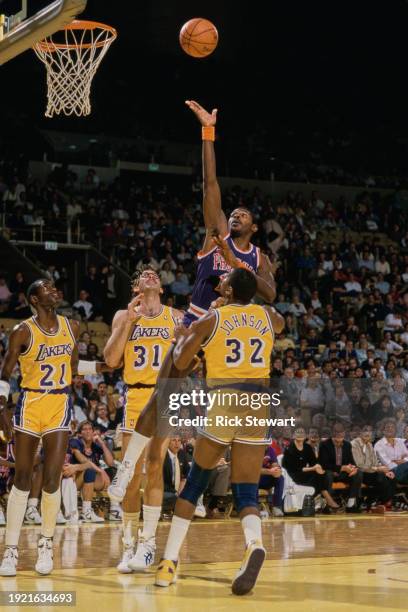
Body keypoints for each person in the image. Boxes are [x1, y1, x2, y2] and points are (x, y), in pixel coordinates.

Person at [108, 100, 277, 508]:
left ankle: (226, 492)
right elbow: (210, 184)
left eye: (242, 215)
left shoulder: (259, 258)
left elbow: (270, 294)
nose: (233, 216)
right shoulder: (211, 238)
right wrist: (208, 132)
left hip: (232, 332)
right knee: (160, 397)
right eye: (231, 214)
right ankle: (127, 467)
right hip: (198, 322)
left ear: (254, 227)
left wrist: (237, 264)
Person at [154, 268, 284, 596]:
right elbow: (277, 318)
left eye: (223, 282)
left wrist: (188, 341)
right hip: (258, 403)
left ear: (226, 290)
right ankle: (253, 542)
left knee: (195, 482)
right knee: (246, 491)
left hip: (226, 399)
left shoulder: (210, 320)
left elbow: (181, 363)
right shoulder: (270, 316)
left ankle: (169, 562)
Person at [0, 279, 107, 576]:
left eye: (55, 286)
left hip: (59, 404)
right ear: (34, 298)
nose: (55, 290)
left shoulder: (70, 326)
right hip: (30, 403)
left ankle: (46, 544)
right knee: (22, 477)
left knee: (52, 477)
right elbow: (5, 371)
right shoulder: (23, 331)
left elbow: (73, 367)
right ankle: (10, 549)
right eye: (47, 287)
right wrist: (2, 408)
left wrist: (101, 368)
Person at [104, 268, 184, 572]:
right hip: (135, 397)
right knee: (131, 473)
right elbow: (111, 360)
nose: (149, 275)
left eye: (154, 274)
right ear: (136, 286)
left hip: (163, 395)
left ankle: (148, 543)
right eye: (143, 274)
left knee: (154, 467)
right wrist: (129, 323)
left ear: (161, 288)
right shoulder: (123, 317)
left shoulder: (176, 317)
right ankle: (128, 544)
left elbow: (186, 360)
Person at [282, 426, 341, 512]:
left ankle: (323, 500)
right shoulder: (289, 449)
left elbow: (314, 462)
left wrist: (319, 467)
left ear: (305, 435)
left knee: (324, 474)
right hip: (293, 475)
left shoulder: (307, 447)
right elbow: (295, 469)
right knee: (317, 476)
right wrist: (314, 468)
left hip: (305, 473)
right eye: (297, 432)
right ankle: (327, 499)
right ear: (293, 435)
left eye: (302, 432)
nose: (300, 434)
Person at [318, 423, 363, 512]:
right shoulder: (324, 445)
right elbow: (324, 464)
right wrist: (342, 468)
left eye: (341, 432)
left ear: (344, 433)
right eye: (336, 432)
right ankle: (327, 504)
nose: (338, 434)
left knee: (358, 473)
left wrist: (353, 469)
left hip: (342, 474)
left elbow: (351, 462)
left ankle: (351, 504)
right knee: (328, 474)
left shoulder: (347, 445)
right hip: (330, 473)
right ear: (332, 433)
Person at [351, 425, 395, 512]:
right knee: (380, 477)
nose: (367, 433)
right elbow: (359, 465)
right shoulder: (354, 444)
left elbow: (375, 462)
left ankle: (376, 503)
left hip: (371, 472)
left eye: (370, 431)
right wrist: (378, 469)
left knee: (391, 476)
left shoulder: (370, 445)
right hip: (359, 474)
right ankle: (377, 502)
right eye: (365, 430)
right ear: (360, 432)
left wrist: (385, 470)